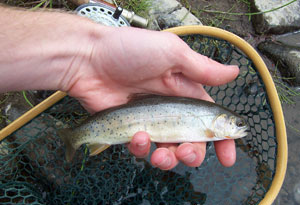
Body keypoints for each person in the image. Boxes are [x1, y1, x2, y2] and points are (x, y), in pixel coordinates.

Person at [0, 6, 239, 170]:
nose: (239, 127)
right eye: (236, 124)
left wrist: (87, 55)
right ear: (220, 120)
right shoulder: (208, 115)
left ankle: (76, 137)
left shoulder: (208, 116)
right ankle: (74, 137)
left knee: (146, 144)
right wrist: (88, 54)